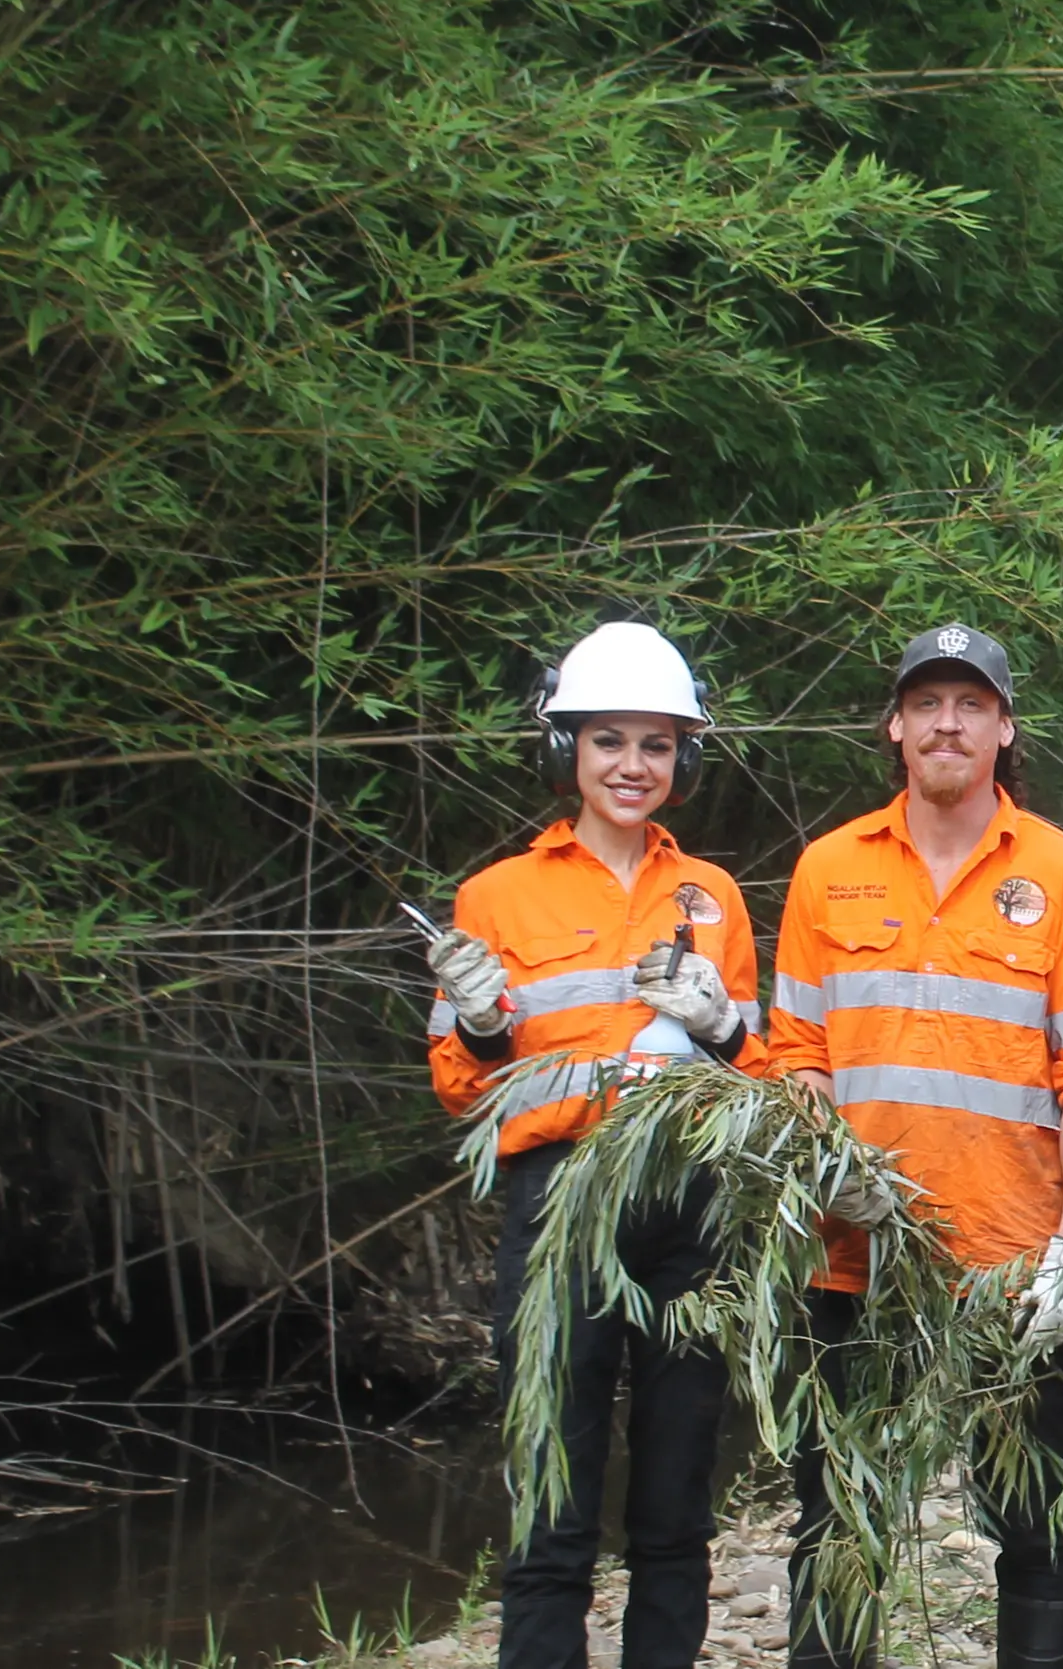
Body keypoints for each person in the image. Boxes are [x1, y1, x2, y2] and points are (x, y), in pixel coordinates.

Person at [763, 624, 1063, 1669]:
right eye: (927, 701)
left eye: (971, 703)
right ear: (894, 725)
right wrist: (821, 1157)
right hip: (851, 1261)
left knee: (1032, 1525)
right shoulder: (826, 870)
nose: (947, 721)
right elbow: (796, 1050)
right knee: (838, 1518)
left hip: (1010, 1270)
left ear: (1004, 726)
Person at [422, 619, 759, 1669]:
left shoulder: (715, 896)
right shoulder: (497, 896)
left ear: (684, 758)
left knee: (674, 1502)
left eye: (656, 743)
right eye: (608, 739)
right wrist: (480, 1020)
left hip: (688, 1209)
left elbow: (758, 1082)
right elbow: (462, 1087)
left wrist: (719, 1026)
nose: (632, 764)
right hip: (558, 1202)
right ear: (564, 747)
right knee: (552, 1505)